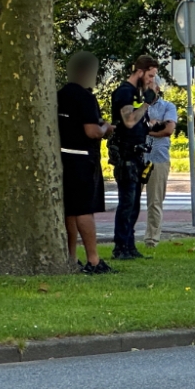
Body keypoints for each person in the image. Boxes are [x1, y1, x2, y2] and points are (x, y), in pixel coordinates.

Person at [57, 52, 115, 275]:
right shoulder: (85, 97)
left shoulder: (60, 94)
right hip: (82, 158)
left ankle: (71, 258)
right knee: (83, 210)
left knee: (69, 211)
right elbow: (91, 131)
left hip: (63, 157)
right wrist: (105, 128)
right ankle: (93, 259)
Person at [109, 55, 157, 260]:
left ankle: (129, 244)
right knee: (127, 202)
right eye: (150, 76)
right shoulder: (124, 92)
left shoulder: (134, 94)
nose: (151, 81)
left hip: (137, 153)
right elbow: (129, 121)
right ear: (140, 72)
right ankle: (121, 246)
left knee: (135, 202)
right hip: (126, 154)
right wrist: (146, 104)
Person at [143, 77, 178, 247]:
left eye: (150, 84)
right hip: (138, 158)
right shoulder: (137, 106)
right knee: (131, 201)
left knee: (155, 201)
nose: (147, 88)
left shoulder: (167, 107)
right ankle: (126, 239)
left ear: (157, 87)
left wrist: (148, 132)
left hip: (158, 158)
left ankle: (152, 239)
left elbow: (168, 129)